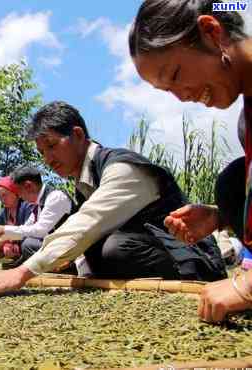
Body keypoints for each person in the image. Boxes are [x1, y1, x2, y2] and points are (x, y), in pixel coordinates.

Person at [0, 101, 226, 298]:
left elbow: (89, 223)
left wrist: (22, 273)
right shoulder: (83, 183)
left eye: (53, 146)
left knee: (115, 247)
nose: (49, 159)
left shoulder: (122, 169)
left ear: (78, 135)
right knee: (96, 248)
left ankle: (184, 277)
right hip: (149, 252)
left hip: (191, 260)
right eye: (43, 152)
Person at [129, 0, 252, 322]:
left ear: (212, 32)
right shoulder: (246, 122)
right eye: (167, 90)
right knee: (232, 184)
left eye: (176, 74)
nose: (182, 96)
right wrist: (222, 216)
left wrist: (247, 287)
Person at [0, 168, 73, 266]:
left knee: (29, 244)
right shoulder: (37, 205)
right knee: (28, 242)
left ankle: (65, 266)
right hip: (57, 246)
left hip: (69, 247)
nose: (19, 196)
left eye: (18, 191)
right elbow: (27, 228)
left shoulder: (55, 197)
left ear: (29, 186)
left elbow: (40, 231)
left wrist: (4, 230)